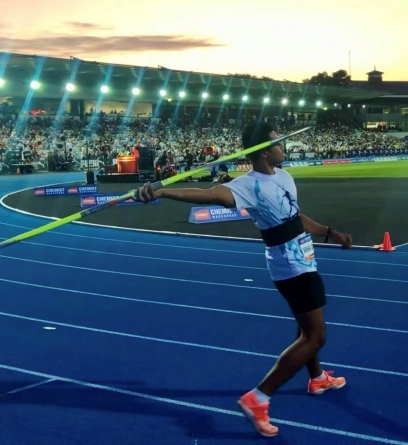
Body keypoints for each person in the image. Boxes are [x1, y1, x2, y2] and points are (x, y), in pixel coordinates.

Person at [134, 122, 353, 437]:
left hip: (304, 257)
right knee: (315, 336)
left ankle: (317, 378)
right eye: (277, 142)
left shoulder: (284, 177)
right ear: (263, 151)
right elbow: (210, 194)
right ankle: (259, 398)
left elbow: (296, 218)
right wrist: (161, 191)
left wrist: (330, 232)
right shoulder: (248, 185)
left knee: (306, 325)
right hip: (290, 265)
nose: (283, 146)